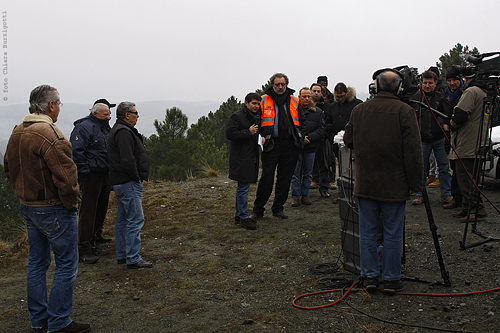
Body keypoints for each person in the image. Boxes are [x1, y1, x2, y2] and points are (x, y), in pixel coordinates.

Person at [4, 85, 91, 333]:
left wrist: (23, 194)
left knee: (37, 263)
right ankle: (60, 321)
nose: (60, 108)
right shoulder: (49, 133)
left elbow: (8, 169)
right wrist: (71, 204)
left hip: (28, 206)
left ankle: (39, 320)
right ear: (51, 105)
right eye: (59, 104)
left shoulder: (17, 132)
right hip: (53, 209)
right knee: (65, 264)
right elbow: (66, 175)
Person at [343, 69, 423, 293]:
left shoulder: (359, 110)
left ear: (375, 88)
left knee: (367, 232)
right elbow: (414, 152)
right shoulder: (405, 111)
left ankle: (369, 277)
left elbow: (348, 139)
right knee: (392, 233)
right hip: (395, 185)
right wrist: (417, 184)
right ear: (399, 89)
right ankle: (391, 279)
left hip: (366, 183)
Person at [250, 73, 307, 220]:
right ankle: (258, 210)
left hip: (290, 144)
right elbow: (256, 118)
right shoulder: (263, 99)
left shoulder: (295, 99)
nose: (280, 87)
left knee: (285, 178)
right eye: (277, 84)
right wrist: (260, 135)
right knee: (267, 177)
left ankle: (278, 208)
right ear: (272, 85)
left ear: (286, 84)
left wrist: (302, 135)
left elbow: (302, 120)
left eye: (282, 84)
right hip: (271, 144)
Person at [107, 101, 152, 269]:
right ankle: (133, 257)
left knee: (124, 219)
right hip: (128, 182)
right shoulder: (124, 133)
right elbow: (127, 159)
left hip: (121, 182)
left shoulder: (118, 130)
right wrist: (136, 178)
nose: (137, 115)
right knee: (135, 219)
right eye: (135, 112)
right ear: (127, 115)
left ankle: (123, 255)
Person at [70, 99, 115, 264]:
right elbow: (76, 152)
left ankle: (95, 241)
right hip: (91, 176)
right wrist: (86, 172)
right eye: (106, 114)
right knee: (88, 212)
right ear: (95, 113)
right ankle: (83, 248)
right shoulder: (84, 128)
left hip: (104, 174)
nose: (109, 117)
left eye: (109, 114)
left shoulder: (104, 128)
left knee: (100, 209)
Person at [448, 75, 489, 221]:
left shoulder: (472, 91)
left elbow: (460, 114)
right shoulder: (483, 92)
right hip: (476, 142)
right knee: (467, 177)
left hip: (468, 143)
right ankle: (467, 207)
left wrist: (451, 125)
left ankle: (476, 209)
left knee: (466, 177)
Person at [411, 70, 453, 206]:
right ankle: (420, 194)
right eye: (425, 83)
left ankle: (446, 193)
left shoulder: (442, 98)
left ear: (435, 84)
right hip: (422, 138)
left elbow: (447, 115)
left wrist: (444, 125)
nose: (427, 85)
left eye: (430, 83)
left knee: (444, 168)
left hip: (439, 137)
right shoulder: (416, 98)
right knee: (421, 168)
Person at [226, 93, 263, 230]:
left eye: (258, 104)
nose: (256, 106)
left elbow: (256, 132)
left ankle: (239, 215)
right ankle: (243, 216)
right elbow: (230, 134)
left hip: (250, 156)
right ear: (246, 103)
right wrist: (248, 132)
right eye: (254, 103)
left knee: (243, 187)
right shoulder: (237, 116)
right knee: (243, 188)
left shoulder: (255, 116)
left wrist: (261, 137)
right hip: (241, 158)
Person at [325, 82, 363, 202]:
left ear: (347, 93)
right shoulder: (333, 106)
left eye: (342, 96)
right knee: (342, 169)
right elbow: (328, 121)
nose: (340, 99)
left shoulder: (357, 105)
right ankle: (342, 193)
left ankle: (357, 193)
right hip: (338, 143)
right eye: (338, 97)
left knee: (356, 169)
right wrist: (333, 130)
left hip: (355, 142)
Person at [291, 88, 325, 207]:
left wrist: (309, 138)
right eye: (304, 96)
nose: (306, 99)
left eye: (308, 97)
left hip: (310, 147)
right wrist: (300, 139)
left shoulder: (318, 112)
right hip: (296, 147)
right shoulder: (293, 112)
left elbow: (321, 129)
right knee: (295, 174)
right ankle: (295, 197)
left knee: (308, 173)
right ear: (299, 97)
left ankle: (304, 195)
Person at [442, 68, 464, 209]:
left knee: (462, 171)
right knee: (453, 167)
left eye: (454, 80)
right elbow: (441, 112)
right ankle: (456, 198)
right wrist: (443, 123)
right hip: (449, 135)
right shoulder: (444, 95)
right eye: (449, 80)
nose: (452, 83)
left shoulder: (465, 94)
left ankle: (464, 200)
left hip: (462, 135)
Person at [310, 83, 331, 193]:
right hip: (309, 139)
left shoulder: (327, 106)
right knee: (309, 164)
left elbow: (328, 123)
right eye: (314, 91)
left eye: (318, 91)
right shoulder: (305, 106)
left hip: (322, 139)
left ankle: (324, 187)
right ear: (311, 91)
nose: (316, 93)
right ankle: (313, 181)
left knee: (324, 164)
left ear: (322, 93)